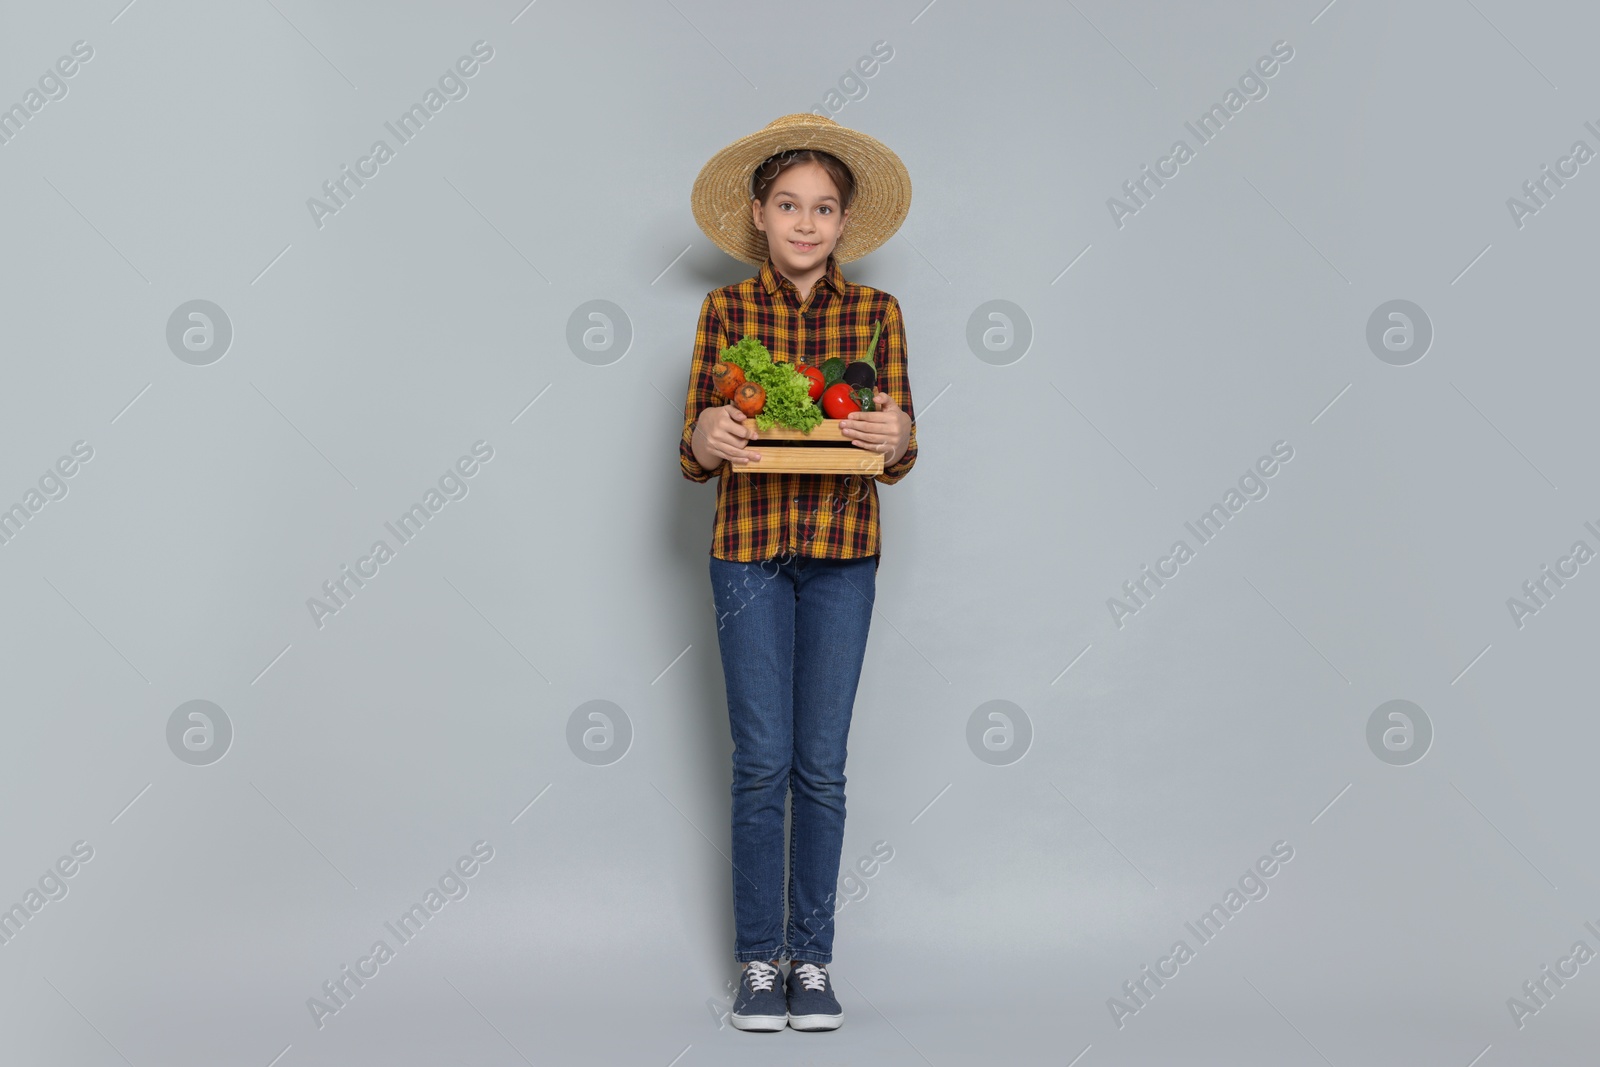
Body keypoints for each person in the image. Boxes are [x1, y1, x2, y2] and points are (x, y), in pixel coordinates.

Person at [680, 113, 917, 1033]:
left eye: (823, 208)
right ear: (759, 213)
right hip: (747, 553)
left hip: (844, 557)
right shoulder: (725, 313)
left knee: (821, 766)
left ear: (844, 222)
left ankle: (810, 959)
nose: (806, 223)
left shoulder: (877, 315)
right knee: (760, 763)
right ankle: (756, 960)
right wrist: (705, 433)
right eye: (789, 205)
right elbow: (696, 445)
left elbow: (897, 446)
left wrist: (897, 435)